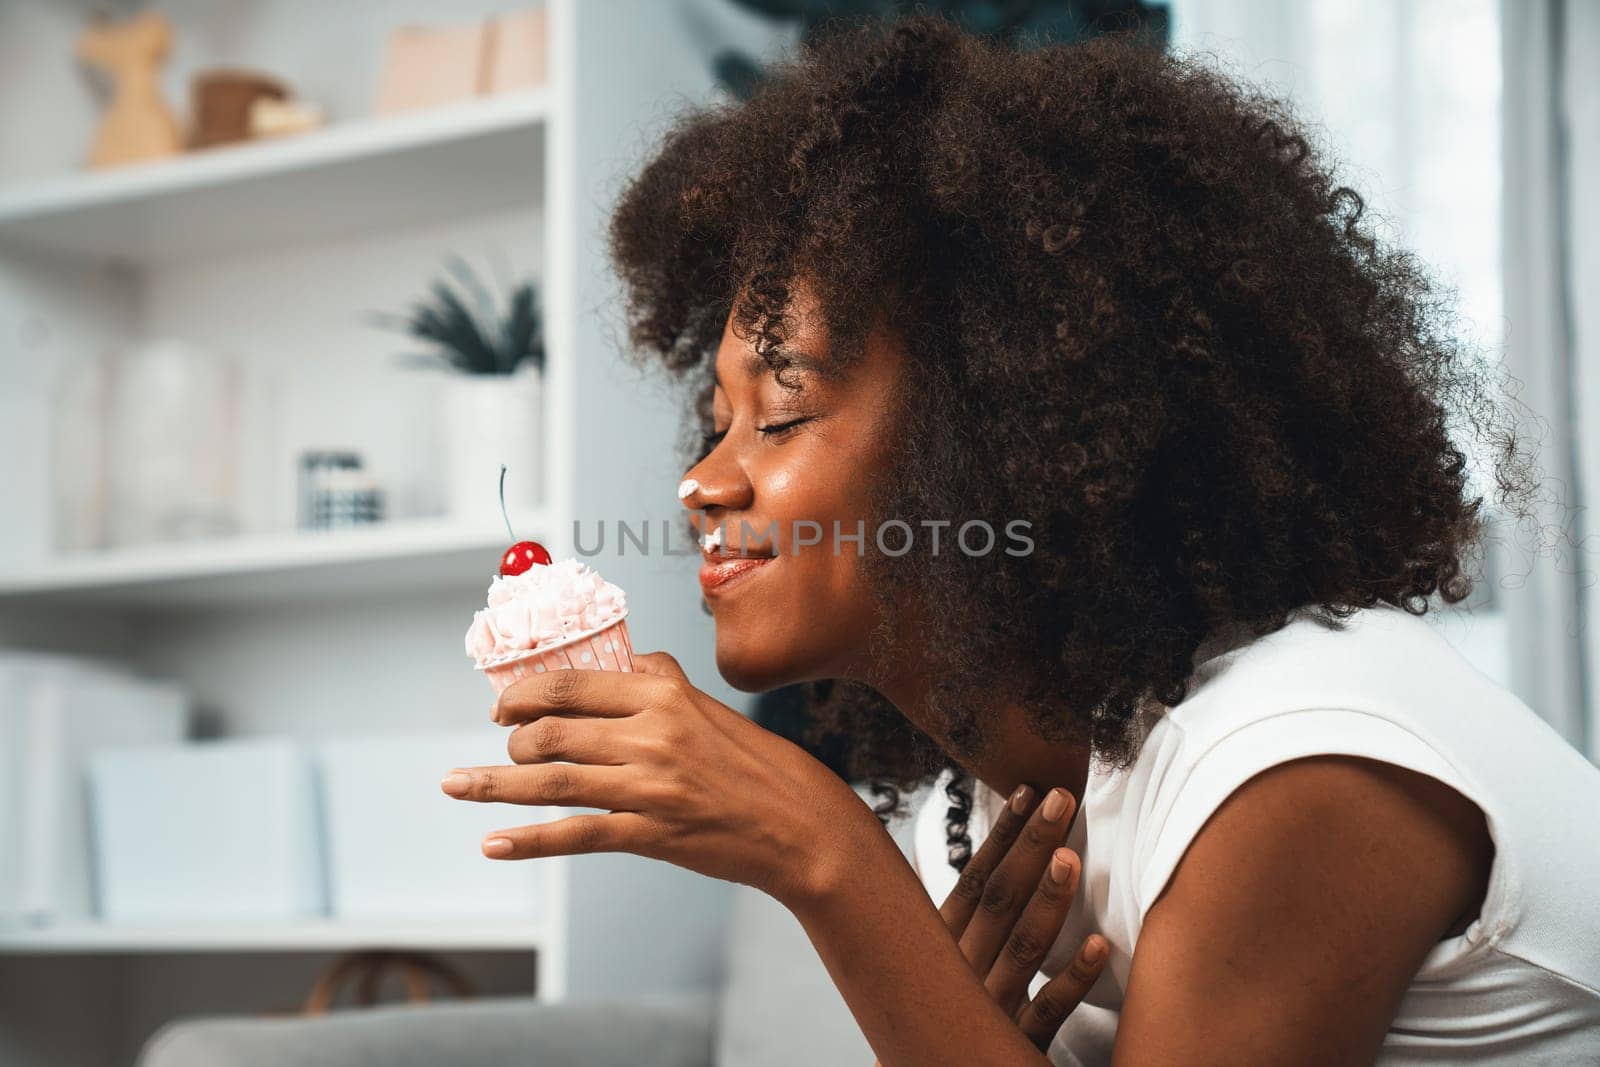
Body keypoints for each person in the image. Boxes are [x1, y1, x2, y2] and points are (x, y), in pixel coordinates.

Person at [442, 14, 1600, 1064]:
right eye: (713, 424)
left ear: (996, 429)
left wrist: (828, 856)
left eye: (781, 412)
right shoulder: (995, 819)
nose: (701, 482)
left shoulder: (1293, 761)